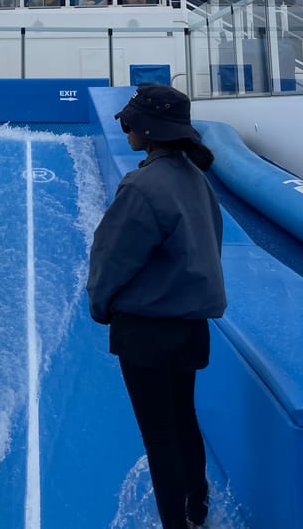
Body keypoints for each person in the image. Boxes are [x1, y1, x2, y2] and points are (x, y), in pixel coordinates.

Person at [87, 84, 226, 529]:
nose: (124, 127)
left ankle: (175, 525)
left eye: (129, 121)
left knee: (159, 436)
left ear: (146, 129)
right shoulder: (196, 180)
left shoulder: (143, 186)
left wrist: (100, 306)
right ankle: (198, 507)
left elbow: (112, 259)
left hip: (147, 332)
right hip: (190, 328)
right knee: (184, 419)